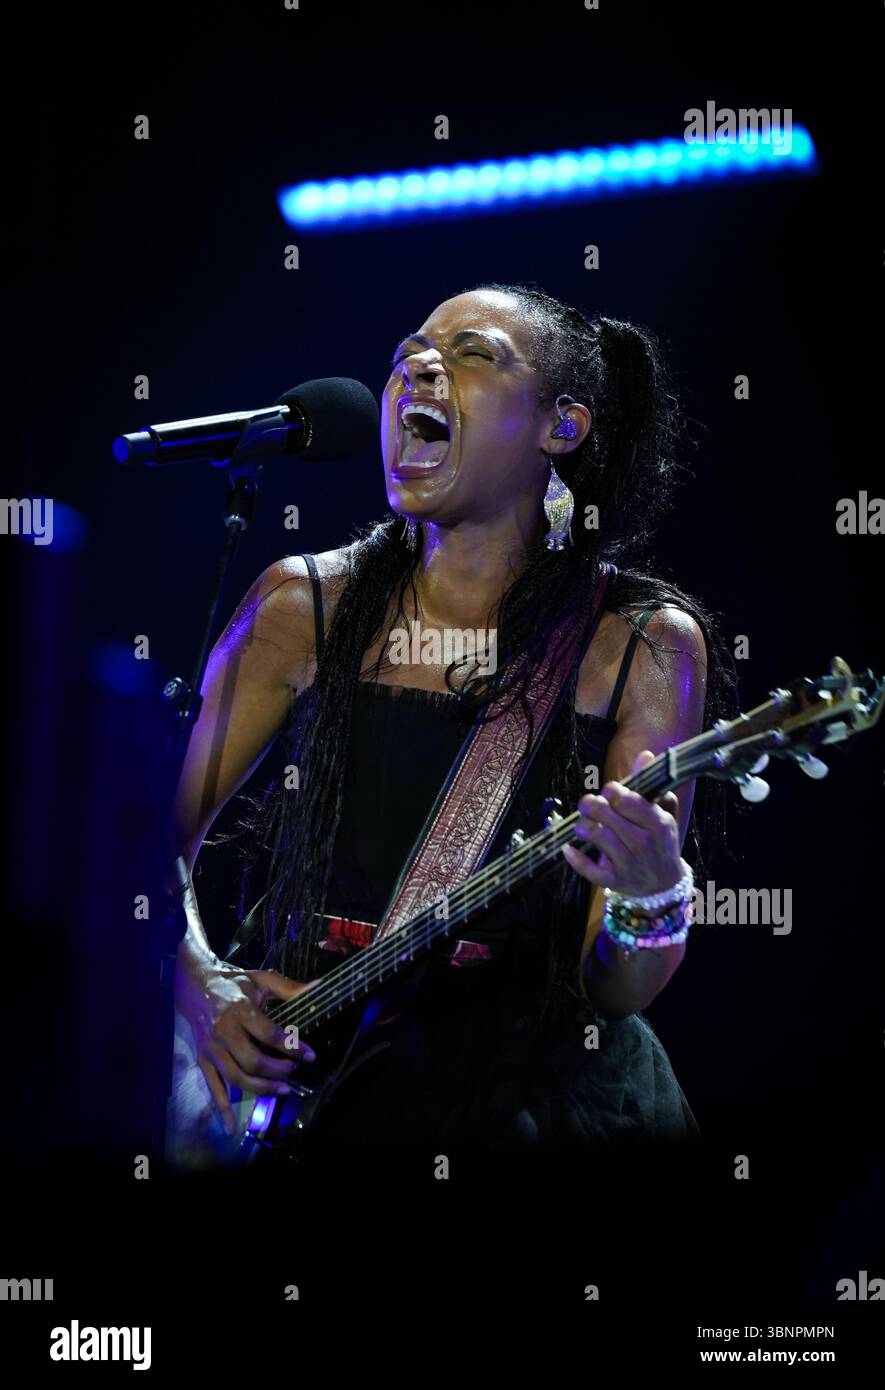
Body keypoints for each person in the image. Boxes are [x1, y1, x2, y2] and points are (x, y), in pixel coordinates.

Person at [170, 282, 737, 1167]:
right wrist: (202, 986)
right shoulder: (302, 604)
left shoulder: (641, 646)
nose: (419, 368)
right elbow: (138, 844)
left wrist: (654, 893)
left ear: (562, 427)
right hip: (310, 1091)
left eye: (473, 354)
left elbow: (615, 990)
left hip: (531, 1112)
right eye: (406, 357)